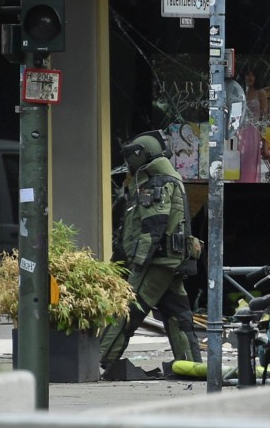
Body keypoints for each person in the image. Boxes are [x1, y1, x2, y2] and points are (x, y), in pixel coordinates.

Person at [100, 130, 202, 378]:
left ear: (141, 155)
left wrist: (136, 262)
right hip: (167, 260)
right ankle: (192, 365)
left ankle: (100, 360)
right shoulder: (168, 180)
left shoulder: (157, 184)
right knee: (178, 315)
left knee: (127, 311)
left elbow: (153, 226)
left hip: (154, 262)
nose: (127, 164)